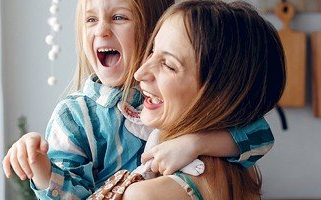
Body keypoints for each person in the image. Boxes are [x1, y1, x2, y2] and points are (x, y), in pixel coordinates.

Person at [1, 0, 276, 199]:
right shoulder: (76, 115)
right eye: (90, 19)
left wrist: (194, 143)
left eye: (119, 17)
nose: (101, 31)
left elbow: (259, 133)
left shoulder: (178, 105)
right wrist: (43, 170)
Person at [117, 1, 286, 199]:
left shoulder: (144, 195)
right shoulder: (238, 171)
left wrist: (194, 143)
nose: (139, 73)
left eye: (169, 65)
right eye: (152, 51)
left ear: (219, 97)